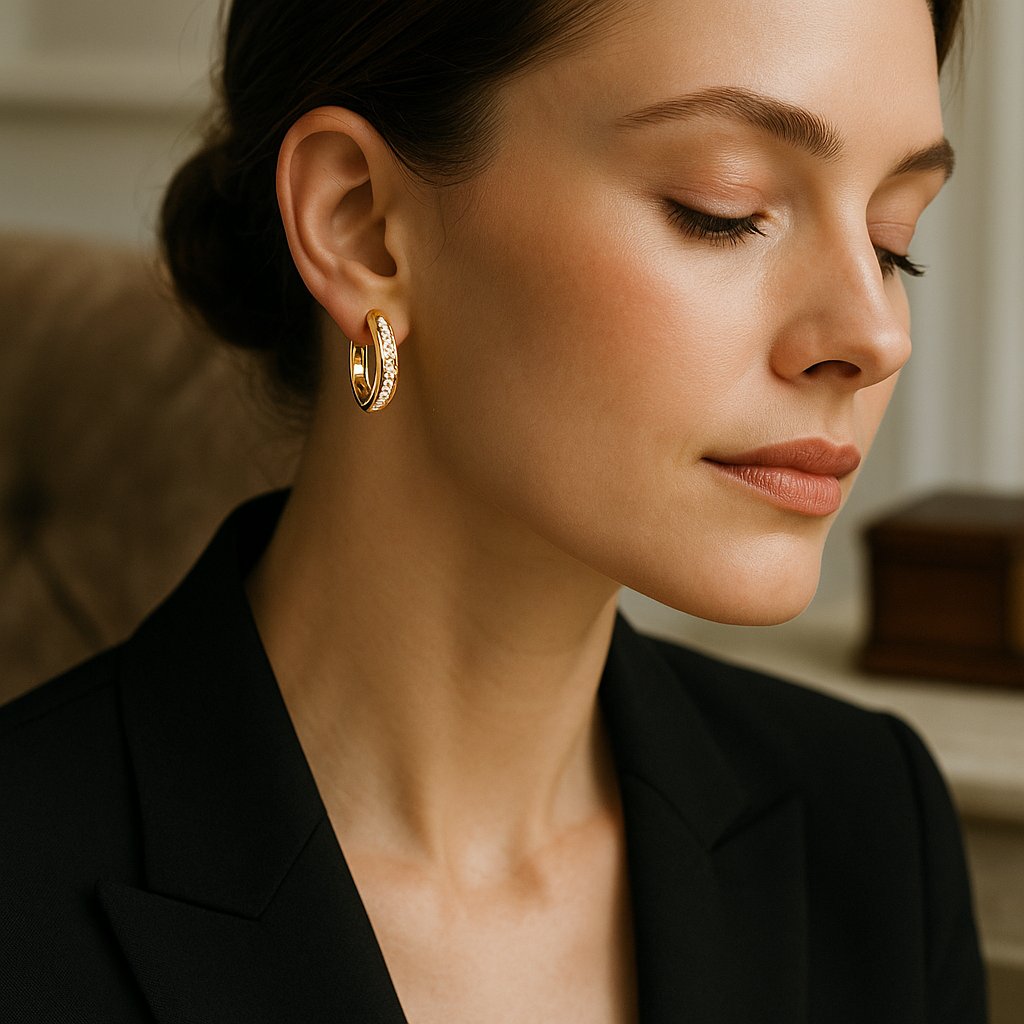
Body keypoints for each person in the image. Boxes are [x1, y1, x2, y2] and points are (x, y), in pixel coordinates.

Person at [0, 0, 986, 1021]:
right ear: (362, 226)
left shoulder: (869, 825)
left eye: (890, 238)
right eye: (722, 207)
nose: (874, 332)